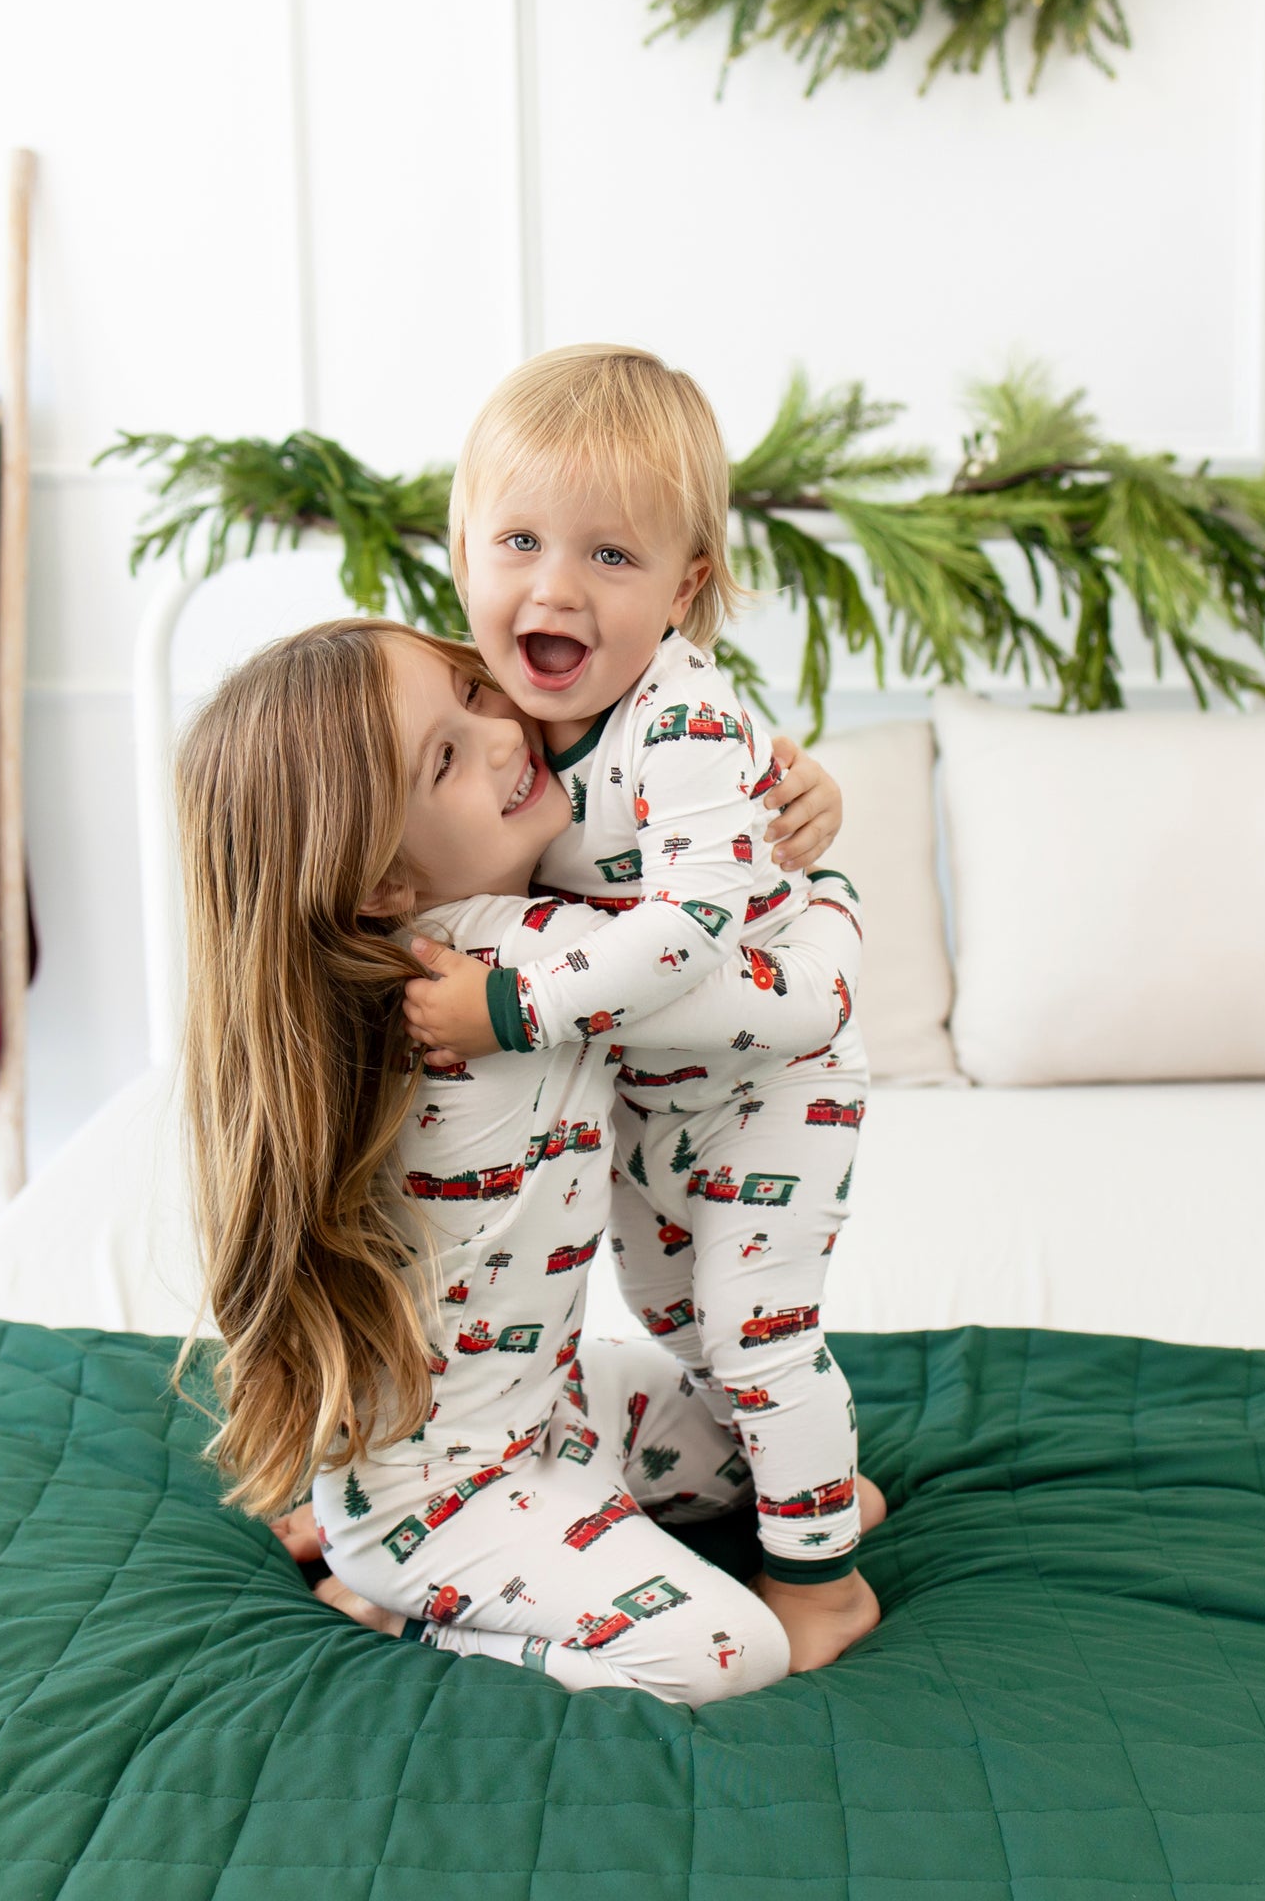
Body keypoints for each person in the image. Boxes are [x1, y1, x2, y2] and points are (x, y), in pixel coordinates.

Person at [176, 615, 877, 1705]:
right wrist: (824, 882)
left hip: (541, 1407)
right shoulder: (514, 965)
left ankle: (397, 1545)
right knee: (736, 1652)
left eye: (471, 693)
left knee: (775, 1461)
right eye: (446, 757)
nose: (507, 737)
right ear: (377, 884)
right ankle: (410, 1600)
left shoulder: (404, 955)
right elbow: (794, 1004)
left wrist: (783, 794)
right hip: (445, 1491)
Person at [401, 346, 879, 1672]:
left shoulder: (683, 724)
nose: (553, 586)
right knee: (672, 1321)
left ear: (686, 589)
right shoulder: (490, 702)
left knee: (755, 1327)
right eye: (518, 540)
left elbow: (685, 932)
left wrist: (515, 1005)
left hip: (779, 1079)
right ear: (459, 552)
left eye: (612, 558)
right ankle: (812, 1484)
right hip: (651, 1099)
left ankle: (822, 1577)